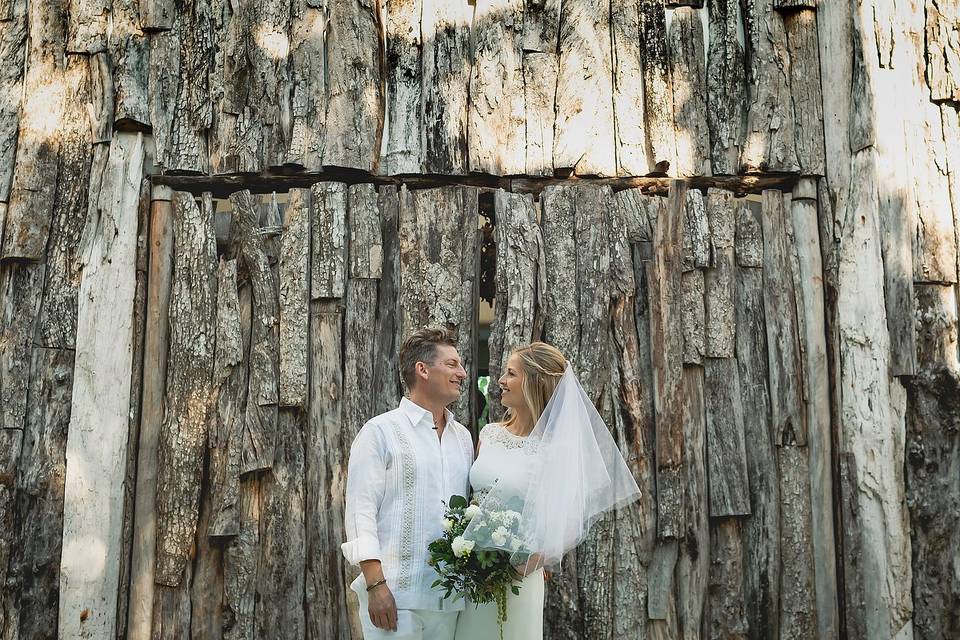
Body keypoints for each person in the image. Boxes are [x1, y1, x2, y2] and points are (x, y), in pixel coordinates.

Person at [455, 342, 641, 640]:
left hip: (517, 576)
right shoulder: (489, 434)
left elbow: (570, 520)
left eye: (511, 373)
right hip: (472, 577)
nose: (501, 380)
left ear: (534, 383)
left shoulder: (554, 450)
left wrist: (529, 560)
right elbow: (472, 498)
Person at [342, 327, 475, 639]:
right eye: (452, 364)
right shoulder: (380, 432)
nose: (463, 373)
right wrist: (376, 585)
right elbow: (361, 511)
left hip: (450, 599)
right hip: (394, 597)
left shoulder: (464, 438)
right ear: (423, 370)